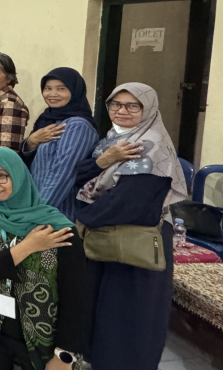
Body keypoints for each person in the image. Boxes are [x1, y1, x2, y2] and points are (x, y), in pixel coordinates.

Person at [75, 83, 187, 370]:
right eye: (115, 104)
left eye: (132, 105)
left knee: (127, 314)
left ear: (148, 109)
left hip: (135, 239)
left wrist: (83, 218)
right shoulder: (114, 139)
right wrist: (102, 162)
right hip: (108, 233)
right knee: (105, 308)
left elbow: (130, 201)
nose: (121, 111)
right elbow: (81, 173)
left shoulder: (151, 145)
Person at [0, 148, 90, 370]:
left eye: (1, 175)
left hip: (41, 337)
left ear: (18, 174)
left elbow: (76, 297)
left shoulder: (58, 228)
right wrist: (27, 247)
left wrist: (64, 354)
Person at [20, 68, 99, 220]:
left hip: (58, 211)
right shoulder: (49, 119)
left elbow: (63, 172)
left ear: (75, 91)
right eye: (48, 88)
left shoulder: (77, 126)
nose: (52, 94)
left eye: (61, 89)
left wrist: (38, 212)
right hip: (36, 204)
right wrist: (31, 141)